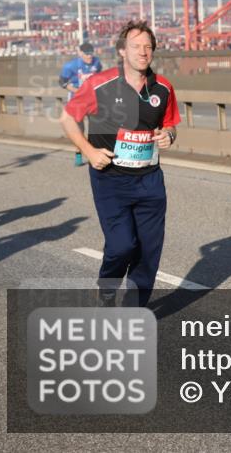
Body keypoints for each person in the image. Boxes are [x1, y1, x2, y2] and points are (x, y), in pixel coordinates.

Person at [60, 20, 180, 306]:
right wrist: (88, 151)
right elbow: (68, 118)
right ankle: (107, 285)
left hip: (150, 179)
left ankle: (133, 310)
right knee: (122, 245)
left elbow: (170, 123)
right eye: (136, 46)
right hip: (111, 178)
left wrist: (169, 135)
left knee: (149, 251)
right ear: (122, 51)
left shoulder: (163, 87)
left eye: (148, 47)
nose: (143, 52)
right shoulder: (99, 83)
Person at [59, 42, 103, 166]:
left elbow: (100, 77)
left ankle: (93, 153)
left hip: (92, 100)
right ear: (80, 53)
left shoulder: (97, 62)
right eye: (87, 54)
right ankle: (78, 154)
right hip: (76, 101)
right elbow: (62, 82)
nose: (90, 57)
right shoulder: (71, 66)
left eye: (91, 54)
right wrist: (77, 91)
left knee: (95, 128)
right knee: (79, 130)